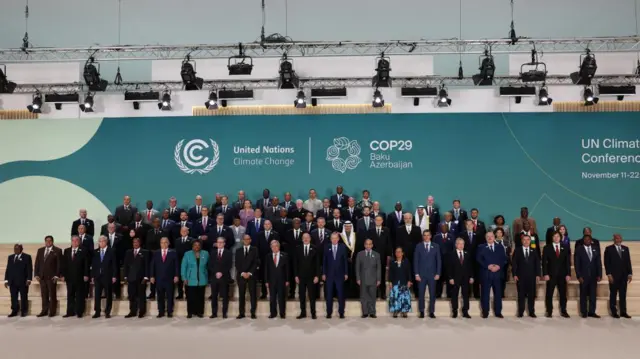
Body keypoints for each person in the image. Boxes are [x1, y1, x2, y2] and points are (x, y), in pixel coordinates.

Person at [477, 232, 506, 318]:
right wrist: (487, 266)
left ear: (494, 237)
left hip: (497, 274)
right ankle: (485, 312)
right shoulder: (481, 247)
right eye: (488, 236)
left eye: (491, 236)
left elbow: (504, 259)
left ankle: (498, 312)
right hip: (486, 274)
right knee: (485, 294)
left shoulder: (500, 247)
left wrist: (499, 266)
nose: (490, 238)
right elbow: (478, 259)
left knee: (498, 294)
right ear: (485, 238)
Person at [542, 231, 571, 318]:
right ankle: (549, 311)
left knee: (563, 294)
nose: (556, 238)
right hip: (550, 275)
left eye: (557, 236)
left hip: (562, 275)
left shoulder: (565, 247)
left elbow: (567, 262)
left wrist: (568, 274)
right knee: (549, 294)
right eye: (554, 236)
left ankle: (563, 311)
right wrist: (545, 274)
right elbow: (544, 262)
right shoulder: (547, 247)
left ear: (560, 237)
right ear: (552, 238)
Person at [604, 234, 633, 318]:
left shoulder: (626, 249)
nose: (619, 239)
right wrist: (609, 275)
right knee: (613, 294)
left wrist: (630, 274)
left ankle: (623, 312)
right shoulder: (609, 249)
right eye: (617, 238)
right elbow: (607, 263)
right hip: (613, 276)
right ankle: (614, 312)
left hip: (624, 277)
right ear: (613, 239)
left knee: (623, 295)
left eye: (620, 238)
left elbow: (628, 262)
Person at [512, 235, 541, 318]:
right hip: (520, 277)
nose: (526, 241)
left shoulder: (534, 251)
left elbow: (537, 264)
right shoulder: (517, 250)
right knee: (521, 295)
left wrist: (538, 274)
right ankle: (520, 311)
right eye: (524, 240)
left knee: (531, 295)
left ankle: (531, 311)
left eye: (528, 239)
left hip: (532, 277)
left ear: (530, 241)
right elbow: (514, 264)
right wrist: (514, 274)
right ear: (521, 241)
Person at [414, 230, 441, 318]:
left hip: (432, 275)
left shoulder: (436, 246)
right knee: (421, 294)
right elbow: (416, 261)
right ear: (423, 236)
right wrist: (416, 274)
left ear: (430, 236)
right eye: (424, 235)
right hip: (421, 275)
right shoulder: (418, 246)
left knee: (432, 294)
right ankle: (421, 311)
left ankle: (431, 311)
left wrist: (438, 273)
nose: (426, 237)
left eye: (428, 235)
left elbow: (439, 261)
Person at [34, 235, 62, 317]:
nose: (48, 242)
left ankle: (52, 312)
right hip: (42, 277)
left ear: (52, 241)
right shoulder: (40, 250)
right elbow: (37, 263)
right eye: (46, 241)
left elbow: (59, 264)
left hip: (52, 277)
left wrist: (57, 275)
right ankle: (44, 311)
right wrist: (36, 274)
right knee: (44, 295)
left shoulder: (57, 250)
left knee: (52, 295)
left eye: (50, 241)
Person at [150, 237, 179, 318]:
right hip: (159, 278)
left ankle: (170, 312)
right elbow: (152, 265)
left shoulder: (173, 252)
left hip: (170, 278)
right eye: (162, 242)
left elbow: (176, 265)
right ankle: (161, 312)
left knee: (170, 296)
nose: (164, 244)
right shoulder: (156, 253)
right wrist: (152, 276)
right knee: (160, 296)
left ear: (168, 243)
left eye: (165, 242)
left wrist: (176, 275)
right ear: (160, 244)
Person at [574, 235, 602, 318]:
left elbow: (598, 263)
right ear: (583, 240)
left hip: (593, 276)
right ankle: (584, 312)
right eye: (585, 239)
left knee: (593, 294)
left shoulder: (595, 248)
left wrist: (599, 274)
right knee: (583, 295)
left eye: (589, 239)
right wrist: (579, 276)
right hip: (583, 276)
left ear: (591, 240)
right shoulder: (579, 249)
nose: (587, 241)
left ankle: (592, 312)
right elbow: (577, 264)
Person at [294, 233, 320, 319]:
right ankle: (303, 313)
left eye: (307, 237)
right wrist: (296, 276)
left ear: (310, 239)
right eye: (304, 238)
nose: (305, 239)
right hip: (301, 276)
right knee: (302, 295)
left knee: (312, 295)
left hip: (311, 276)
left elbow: (317, 263)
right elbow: (295, 263)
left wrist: (317, 276)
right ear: (302, 239)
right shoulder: (297, 248)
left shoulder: (315, 248)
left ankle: (313, 313)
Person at [62, 236, 89, 318]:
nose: (75, 242)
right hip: (69, 278)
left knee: (79, 295)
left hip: (80, 277)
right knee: (70, 295)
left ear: (79, 241)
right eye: (73, 240)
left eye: (77, 240)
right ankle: (70, 312)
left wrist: (86, 274)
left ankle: (79, 312)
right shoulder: (67, 251)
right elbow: (64, 265)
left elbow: (86, 264)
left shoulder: (84, 250)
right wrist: (63, 275)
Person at [181, 240, 209, 318]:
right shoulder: (187, 254)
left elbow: (208, 266)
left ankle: (199, 312)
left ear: (200, 246)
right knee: (190, 297)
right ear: (192, 246)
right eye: (195, 245)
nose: (197, 246)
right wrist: (184, 278)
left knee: (200, 297)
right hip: (190, 279)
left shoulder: (206, 253)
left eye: (198, 245)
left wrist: (207, 276)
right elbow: (184, 266)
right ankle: (190, 312)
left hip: (202, 278)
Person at [91, 236, 118, 318]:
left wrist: (114, 276)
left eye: (103, 241)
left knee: (108, 294)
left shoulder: (111, 251)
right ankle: (97, 312)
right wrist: (92, 276)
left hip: (108, 276)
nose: (101, 243)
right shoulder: (96, 252)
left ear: (106, 242)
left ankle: (107, 312)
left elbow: (114, 265)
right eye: (99, 241)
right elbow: (94, 265)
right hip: (98, 277)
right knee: (97, 295)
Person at [323, 233, 348, 319]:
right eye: (332, 238)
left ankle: (341, 312)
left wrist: (346, 273)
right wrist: (323, 273)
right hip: (329, 275)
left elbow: (345, 261)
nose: (334, 240)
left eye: (335, 238)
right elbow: (324, 261)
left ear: (338, 239)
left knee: (341, 295)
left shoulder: (342, 247)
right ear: (330, 239)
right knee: (329, 295)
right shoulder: (326, 247)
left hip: (340, 275)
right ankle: (329, 312)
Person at [123, 238, 149, 318]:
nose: (135, 244)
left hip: (141, 278)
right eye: (134, 242)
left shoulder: (145, 252)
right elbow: (126, 265)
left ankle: (142, 311)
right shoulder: (128, 252)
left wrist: (146, 277)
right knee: (131, 296)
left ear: (140, 243)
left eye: (137, 242)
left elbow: (147, 265)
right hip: (131, 278)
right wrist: (125, 276)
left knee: (141, 296)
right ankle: (132, 311)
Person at [447, 238, 473, 319]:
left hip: (466, 278)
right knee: (454, 295)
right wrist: (450, 278)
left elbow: (470, 267)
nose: (461, 245)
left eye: (462, 244)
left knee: (466, 295)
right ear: (456, 245)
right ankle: (454, 311)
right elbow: (448, 268)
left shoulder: (467, 254)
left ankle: (465, 311)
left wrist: (472, 276)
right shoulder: (451, 254)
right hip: (455, 278)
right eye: (459, 243)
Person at [4, 244, 32, 317]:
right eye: (15, 248)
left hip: (23, 281)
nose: (16, 250)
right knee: (13, 297)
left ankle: (24, 311)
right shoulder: (10, 257)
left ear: (22, 249)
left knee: (23, 296)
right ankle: (14, 311)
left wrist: (29, 279)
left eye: (18, 248)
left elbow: (29, 269)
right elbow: (8, 269)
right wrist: (6, 280)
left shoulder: (27, 257)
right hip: (12, 281)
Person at [356, 239, 381, 318]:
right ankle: (365, 312)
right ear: (364, 245)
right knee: (363, 296)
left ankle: (372, 312)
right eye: (366, 244)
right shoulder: (360, 254)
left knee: (372, 296)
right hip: (363, 279)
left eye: (370, 244)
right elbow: (357, 267)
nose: (368, 246)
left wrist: (378, 279)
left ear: (372, 245)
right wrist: (358, 278)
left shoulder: (376, 255)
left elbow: (378, 268)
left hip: (373, 279)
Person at [235, 234, 259, 319]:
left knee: (253, 295)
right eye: (244, 239)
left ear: (250, 240)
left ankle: (253, 313)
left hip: (251, 276)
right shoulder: (238, 251)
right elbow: (237, 264)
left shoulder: (255, 249)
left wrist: (249, 273)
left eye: (248, 239)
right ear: (242, 240)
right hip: (241, 276)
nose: (246, 241)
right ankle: (241, 313)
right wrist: (243, 273)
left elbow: (256, 262)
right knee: (241, 295)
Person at [209, 237, 233, 318]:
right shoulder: (212, 253)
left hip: (224, 277)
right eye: (218, 242)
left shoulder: (228, 253)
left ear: (224, 243)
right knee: (214, 296)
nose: (219, 243)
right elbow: (210, 265)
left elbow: (229, 265)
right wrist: (216, 272)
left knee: (225, 296)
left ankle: (224, 313)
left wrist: (221, 272)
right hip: (214, 277)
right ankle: (214, 313)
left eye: (221, 242)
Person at [265, 240, 289, 319]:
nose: (274, 248)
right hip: (271, 281)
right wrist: (266, 281)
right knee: (272, 298)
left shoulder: (284, 255)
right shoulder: (268, 256)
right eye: (272, 246)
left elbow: (287, 269)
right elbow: (266, 270)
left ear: (279, 247)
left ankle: (282, 313)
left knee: (281, 297)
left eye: (276, 246)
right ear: (271, 248)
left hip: (282, 280)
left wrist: (287, 280)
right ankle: (273, 313)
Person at [370, 215, 391, 299]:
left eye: (380, 220)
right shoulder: (370, 231)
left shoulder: (386, 230)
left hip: (383, 256)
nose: (378, 222)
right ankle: (374, 294)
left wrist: (389, 256)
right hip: (373, 257)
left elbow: (389, 244)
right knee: (373, 275)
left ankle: (383, 294)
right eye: (377, 220)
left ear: (382, 221)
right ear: (375, 221)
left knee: (382, 275)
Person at [388, 247, 412, 318]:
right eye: (396, 252)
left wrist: (409, 281)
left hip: (404, 281)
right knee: (395, 297)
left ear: (402, 253)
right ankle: (395, 311)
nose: (398, 253)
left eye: (399, 252)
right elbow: (390, 273)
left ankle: (404, 312)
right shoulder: (392, 262)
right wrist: (390, 281)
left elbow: (409, 272)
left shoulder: (406, 261)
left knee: (404, 297)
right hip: (395, 282)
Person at [433, 223, 455, 298]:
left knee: (449, 276)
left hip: (449, 261)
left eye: (446, 227)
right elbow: (434, 248)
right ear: (440, 228)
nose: (444, 228)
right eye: (442, 227)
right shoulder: (436, 237)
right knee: (439, 277)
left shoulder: (451, 237)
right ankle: (438, 293)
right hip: (439, 260)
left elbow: (453, 248)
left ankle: (450, 293)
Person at [175, 226, 194, 300]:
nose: (184, 232)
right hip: (179, 262)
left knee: (187, 279)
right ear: (180, 232)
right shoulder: (177, 240)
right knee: (180, 279)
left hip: (188, 262)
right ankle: (180, 294)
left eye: (185, 231)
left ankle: (188, 294)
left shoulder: (192, 240)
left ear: (188, 232)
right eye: (182, 231)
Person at [494, 227, 512, 297]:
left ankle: (502, 293)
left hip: (504, 264)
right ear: (495, 233)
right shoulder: (492, 242)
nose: (499, 234)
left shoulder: (506, 242)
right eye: (497, 232)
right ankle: (496, 293)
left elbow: (509, 253)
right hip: (495, 264)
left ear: (503, 234)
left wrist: (510, 263)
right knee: (496, 279)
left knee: (503, 279)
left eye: (500, 232)